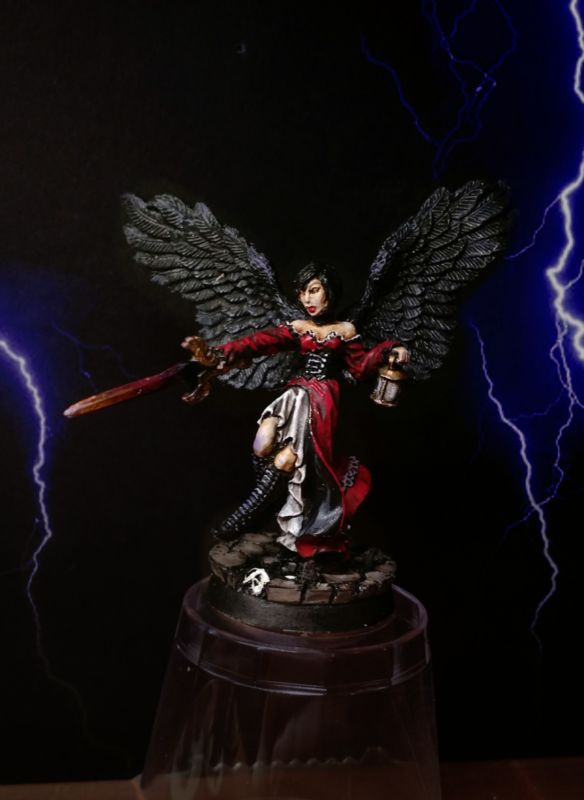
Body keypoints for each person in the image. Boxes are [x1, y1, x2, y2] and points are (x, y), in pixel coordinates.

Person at [183, 263, 409, 557]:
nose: (307, 299)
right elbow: (258, 342)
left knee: (286, 460)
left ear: (329, 292)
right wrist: (217, 354)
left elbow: (360, 367)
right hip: (295, 394)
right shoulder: (299, 327)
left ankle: (243, 518)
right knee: (262, 443)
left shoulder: (345, 330)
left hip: (320, 403)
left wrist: (390, 348)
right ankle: (277, 491)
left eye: (314, 291)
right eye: (302, 293)